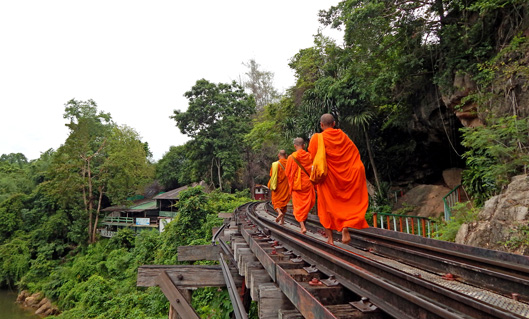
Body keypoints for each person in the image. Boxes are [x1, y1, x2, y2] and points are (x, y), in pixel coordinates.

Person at [308, 113, 369, 245]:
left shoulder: (317, 138)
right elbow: (354, 154)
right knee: (345, 204)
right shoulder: (343, 136)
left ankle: (330, 239)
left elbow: (313, 158)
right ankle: (345, 227)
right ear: (334, 124)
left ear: (321, 125)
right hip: (346, 176)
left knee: (326, 208)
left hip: (328, 179)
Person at [285, 138, 316, 234]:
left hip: (297, 186)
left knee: (298, 207)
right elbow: (313, 169)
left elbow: (287, 172)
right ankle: (304, 224)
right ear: (304, 146)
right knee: (306, 205)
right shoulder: (309, 156)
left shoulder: (291, 157)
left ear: (295, 146)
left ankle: (302, 227)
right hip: (307, 184)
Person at [268, 150, 291, 224]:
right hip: (286, 186)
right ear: (286, 155)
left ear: (278, 155)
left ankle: (279, 212)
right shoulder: (289, 163)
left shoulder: (276, 164)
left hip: (277, 186)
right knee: (284, 203)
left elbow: (272, 175)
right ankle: (282, 221)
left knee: (276, 201)